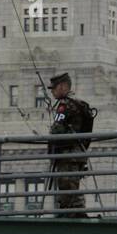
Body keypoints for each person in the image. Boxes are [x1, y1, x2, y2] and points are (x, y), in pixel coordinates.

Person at [47, 73, 92, 216]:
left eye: (54, 88)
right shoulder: (79, 104)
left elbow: (57, 130)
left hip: (67, 154)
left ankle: (72, 216)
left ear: (62, 86)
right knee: (72, 186)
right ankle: (74, 213)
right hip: (78, 153)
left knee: (67, 187)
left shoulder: (65, 106)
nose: (52, 92)